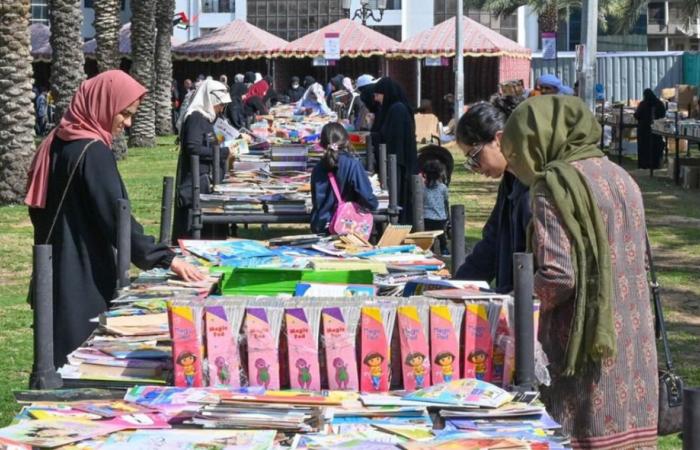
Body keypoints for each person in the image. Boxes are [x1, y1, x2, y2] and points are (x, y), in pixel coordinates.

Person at [501, 95, 658, 448]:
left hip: (581, 345)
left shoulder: (554, 188)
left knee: (580, 436)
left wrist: (513, 305)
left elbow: (558, 276)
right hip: (631, 338)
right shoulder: (622, 178)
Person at [25, 70, 204, 367]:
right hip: (83, 274)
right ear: (104, 104)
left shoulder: (57, 141)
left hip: (53, 269)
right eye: (124, 113)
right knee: (82, 364)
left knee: (55, 360)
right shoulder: (93, 151)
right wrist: (165, 258)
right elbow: (117, 218)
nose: (128, 123)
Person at [453, 96, 530, 293]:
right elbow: (491, 244)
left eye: (475, 155)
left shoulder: (535, 188)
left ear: (499, 139)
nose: (475, 167)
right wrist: (456, 287)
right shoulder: (510, 183)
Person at [173, 79, 232, 240]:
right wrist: (225, 151)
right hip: (198, 182)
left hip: (206, 180)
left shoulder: (205, 118)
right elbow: (193, 148)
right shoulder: (196, 118)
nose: (221, 108)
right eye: (220, 104)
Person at [310, 122, 378, 234]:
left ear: (322, 144)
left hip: (322, 224)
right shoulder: (353, 164)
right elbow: (367, 196)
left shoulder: (317, 168)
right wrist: (374, 204)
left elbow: (316, 200)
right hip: (347, 226)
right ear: (346, 140)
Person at [373, 77, 418, 224]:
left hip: (398, 161)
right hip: (396, 159)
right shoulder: (396, 108)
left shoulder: (397, 109)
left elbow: (393, 137)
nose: (376, 99)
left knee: (398, 195)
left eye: (378, 94)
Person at [421, 159, 449, 256]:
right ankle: (444, 249)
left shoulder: (422, 188)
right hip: (440, 217)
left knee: (429, 236)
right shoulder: (443, 188)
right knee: (441, 235)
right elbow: (446, 201)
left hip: (426, 217)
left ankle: (430, 251)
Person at [635, 88, 666, 170]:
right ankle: (655, 164)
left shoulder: (643, 104)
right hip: (656, 129)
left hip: (644, 130)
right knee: (655, 148)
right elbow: (663, 114)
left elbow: (637, 115)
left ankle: (644, 164)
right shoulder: (659, 103)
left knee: (644, 148)